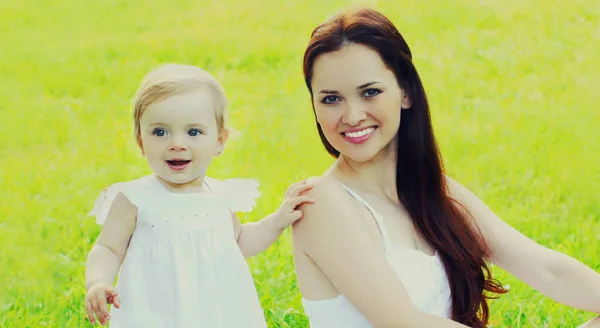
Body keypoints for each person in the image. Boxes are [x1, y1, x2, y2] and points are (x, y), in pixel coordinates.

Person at [291, 8, 600, 328]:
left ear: (406, 93)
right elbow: (402, 321)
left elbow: (545, 269)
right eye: (331, 99)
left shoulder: (433, 192)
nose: (353, 115)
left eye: (370, 92)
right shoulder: (319, 202)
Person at [83, 63, 314, 327]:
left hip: (216, 312)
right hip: (158, 315)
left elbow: (239, 241)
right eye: (160, 132)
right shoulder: (136, 199)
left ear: (219, 141)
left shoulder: (219, 197)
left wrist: (277, 220)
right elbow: (108, 248)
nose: (177, 144)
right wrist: (98, 282)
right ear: (141, 142)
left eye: (193, 132)